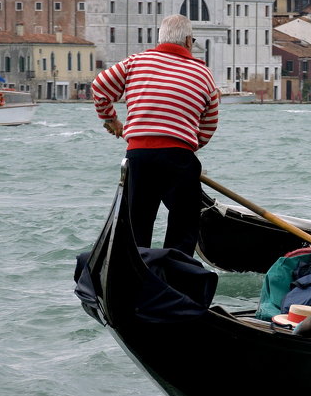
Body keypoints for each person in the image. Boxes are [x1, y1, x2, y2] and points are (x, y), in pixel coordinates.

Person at [92, 13, 219, 254]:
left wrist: (112, 120)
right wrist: (187, 145)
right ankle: (176, 273)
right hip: (180, 159)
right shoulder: (203, 74)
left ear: (160, 39)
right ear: (189, 41)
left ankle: (137, 273)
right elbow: (209, 124)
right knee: (184, 225)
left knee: (137, 224)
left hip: (139, 155)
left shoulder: (135, 62)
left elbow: (100, 87)